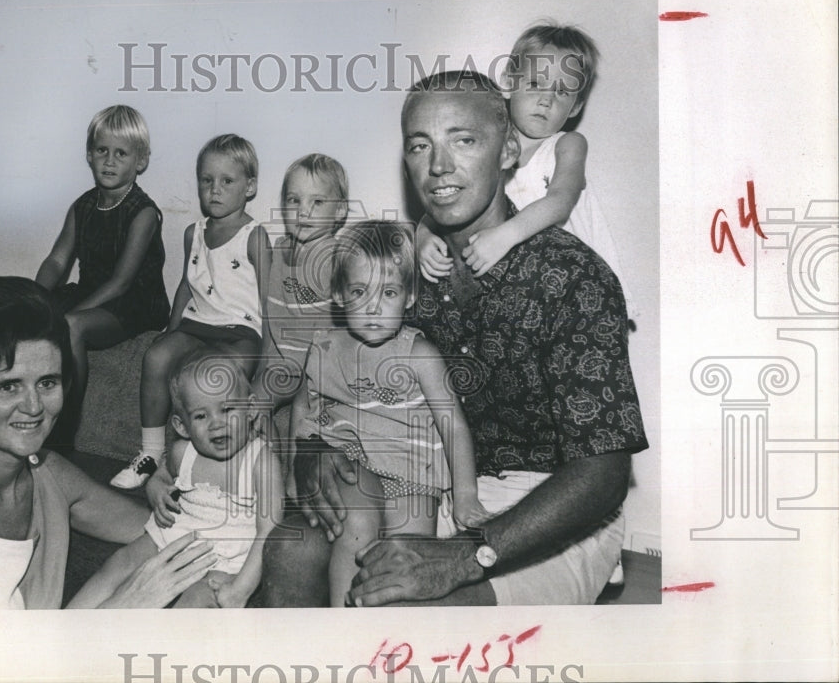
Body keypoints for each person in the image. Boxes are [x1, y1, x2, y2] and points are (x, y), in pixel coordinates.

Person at [261, 71, 648, 607]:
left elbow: (603, 475)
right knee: (289, 549)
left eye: (463, 141)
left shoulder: (574, 277)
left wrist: (466, 555)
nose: (438, 166)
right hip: (425, 483)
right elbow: (336, 371)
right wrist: (310, 448)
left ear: (509, 149)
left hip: (549, 509)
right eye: (421, 146)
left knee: (412, 610)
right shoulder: (398, 270)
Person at [0, 276, 215, 610]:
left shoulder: (48, 474)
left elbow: (167, 531)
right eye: (8, 386)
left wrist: (184, 481)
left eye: (48, 382)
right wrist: (123, 607)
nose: (34, 407)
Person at [289, 220, 490, 606]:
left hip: (413, 476)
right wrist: (293, 472)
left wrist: (465, 496)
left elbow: (453, 427)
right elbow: (303, 407)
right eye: (360, 292)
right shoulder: (324, 349)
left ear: (410, 297)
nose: (374, 308)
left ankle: (390, 642)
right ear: (338, 294)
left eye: (389, 292)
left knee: (403, 568)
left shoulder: (420, 355)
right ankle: (346, 627)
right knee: (355, 532)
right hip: (352, 463)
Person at [415, 23, 636, 325]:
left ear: (576, 107)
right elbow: (452, 195)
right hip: (523, 289)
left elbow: (561, 201)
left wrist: (505, 236)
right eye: (535, 84)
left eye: (562, 91)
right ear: (508, 82)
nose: (547, 99)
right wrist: (423, 236)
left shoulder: (567, 145)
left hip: (577, 288)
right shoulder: (489, 148)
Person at [111, 134, 270, 490]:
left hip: (240, 331)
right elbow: (187, 284)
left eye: (227, 181)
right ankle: (151, 452)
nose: (214, 189)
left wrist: (267, 362)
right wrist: (170, 331)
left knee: (217, 375)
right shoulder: (192, 232)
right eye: (206, 180)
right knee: (156, 356)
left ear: (250, 186)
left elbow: (267, 301)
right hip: (197, 324)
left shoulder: (254, 236)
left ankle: (235, 462)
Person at [71, 354, 282, 608]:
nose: (216, 423)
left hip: (226, 554)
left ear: (250, 410)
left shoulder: (261, 460)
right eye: (201, 416)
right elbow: (161, 475)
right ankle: (70, 624)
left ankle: (170, 645)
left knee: (198, 598)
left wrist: (241, 590)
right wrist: (155, 487)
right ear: (182, 427)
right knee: (121, 560)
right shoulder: (183, 452)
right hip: (176, 534)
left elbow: (269, 529)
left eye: (227, 409)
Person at [35, 105, 170, 440]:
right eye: (102, 151)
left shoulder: (144, 213)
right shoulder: (82, 206)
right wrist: (33, 298)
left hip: (134, 302)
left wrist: (75, 312)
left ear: (140, 161)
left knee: (71, 325)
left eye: (121, 153)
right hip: (92, 291)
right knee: (32, 318)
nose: (109, 161)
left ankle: (67, 421)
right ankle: (37, 405)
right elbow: (57, 260)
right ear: (88, 155)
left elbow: (122, 281)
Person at [251, 154, 348, 454]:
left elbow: (347, 328)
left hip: (321, 367)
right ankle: (266, 470)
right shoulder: (279, 251)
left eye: (317, 202)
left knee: (301, 412)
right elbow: (271, 316)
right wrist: (261, 367)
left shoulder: (338, 258)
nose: (303, 211)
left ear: (340, 211)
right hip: (284, 363)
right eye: (294, 200)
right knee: (251, 403)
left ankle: (295, 479)